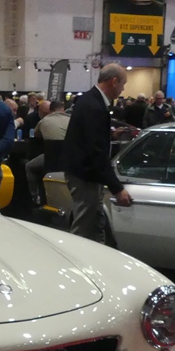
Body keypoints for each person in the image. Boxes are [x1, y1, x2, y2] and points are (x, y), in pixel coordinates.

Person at [61, 63, 132, 244]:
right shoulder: (95, 106)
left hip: (82, 172)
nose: (123, 89)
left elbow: (87, 136)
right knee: (84, 227)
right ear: (114, 81)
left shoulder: (88, 100)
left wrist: (109, 135)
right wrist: (117, 188)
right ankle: (76, 258)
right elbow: (97, 151)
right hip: (85, 175)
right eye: (123, 84)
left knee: (94, 222)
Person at [26, 100, 70, 205]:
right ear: (63, 109)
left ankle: (34, 197)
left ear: (50, 110)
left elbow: (35, 134)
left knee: (29, 166)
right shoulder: (72, 120)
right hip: (70, 160)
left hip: (51, 159)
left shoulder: (44, 121)